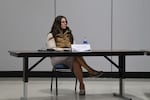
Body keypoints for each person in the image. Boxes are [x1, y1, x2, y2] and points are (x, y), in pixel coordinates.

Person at [47, 15, 103, 95]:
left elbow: (74, 46)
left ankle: (81, 84)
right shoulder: (51, 34)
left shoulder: (69, 33)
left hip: (69, 57)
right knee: (76, 56)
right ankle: (90, 71)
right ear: (58, 23)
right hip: (57, 58)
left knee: (76, 61)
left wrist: (73, 49)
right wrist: (64, 50)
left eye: (66, 22)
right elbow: (51, 48)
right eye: (63, 22)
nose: (65, 23)